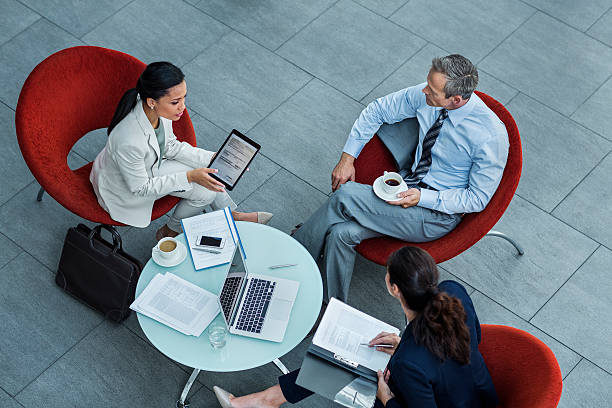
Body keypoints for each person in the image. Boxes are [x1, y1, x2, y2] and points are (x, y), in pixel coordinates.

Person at [292, 54, 508, 302]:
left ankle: (292, 256)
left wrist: (422, 197)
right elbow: (378, 110)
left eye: (433, 90)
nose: (424, 90)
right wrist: (347, 158)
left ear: (456, 100)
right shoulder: (428, 95)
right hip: (405, 185)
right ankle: (331, 310)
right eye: (428, 82)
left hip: (435, 214)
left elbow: (477, 198)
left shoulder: (490, 136)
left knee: (344, 196)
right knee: (342, 233)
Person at [212, 246, 498, 408]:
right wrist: (404, 347)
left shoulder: (411, 362)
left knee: (348, 360)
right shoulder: (453, 291)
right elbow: (473, 339)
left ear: (394, 288)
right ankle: (267, 400)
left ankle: (265, 401)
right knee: (355, 355)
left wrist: (386, 398)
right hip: (480, 395)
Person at [90, 62, 272, 240]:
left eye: (184, 98)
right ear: (152, 101)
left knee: (209, 181)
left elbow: (170, 146)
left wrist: (214, 158)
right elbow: (140, 188)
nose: (182, 107)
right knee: (205, 191)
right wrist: (190, 177)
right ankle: (175, 231)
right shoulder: (128, 140)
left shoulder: (156, 110)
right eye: (176, 102)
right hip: (125, 190)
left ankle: (213, 220)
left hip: (149, 166)